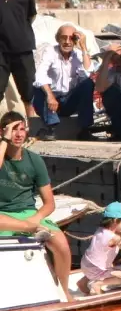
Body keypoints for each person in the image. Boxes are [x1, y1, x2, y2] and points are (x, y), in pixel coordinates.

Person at [0, 112, 72, 289]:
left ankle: (63, 291)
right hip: (3, 215)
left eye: (22, 129)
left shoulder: (34, 160)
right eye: (13, 130)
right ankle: (29, 229)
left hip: (28, 213)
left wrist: (35, 218)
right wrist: (4, 141)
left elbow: (49, 203)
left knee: (61, 244)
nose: (18, 134)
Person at [31, 24, 95, 141]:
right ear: (58, 39)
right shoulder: (50, 52)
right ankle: (51, 128)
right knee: (38, 88)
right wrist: (50, 96)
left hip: (67, 101)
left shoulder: (77, 55)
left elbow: (87, 73)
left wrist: (83, 47)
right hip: (49, 101)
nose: (67, 42)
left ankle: (85, 129)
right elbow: (40, 75)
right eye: (63, 38)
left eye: (71, 38)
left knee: (88, 83)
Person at [79, 202, 121, 295]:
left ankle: (82, 283)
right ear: (116, 220)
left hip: (86, 264)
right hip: (96, 268)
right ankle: (98, 284)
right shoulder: (113, 238)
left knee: (103, 265)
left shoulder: (102, 230)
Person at [0, 0, 37, 115]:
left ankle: (31, 127)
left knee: (28, 90)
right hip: (0, 51)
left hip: (23, 48)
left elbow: (31, 15)